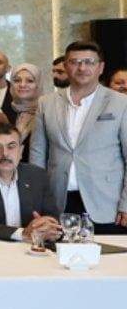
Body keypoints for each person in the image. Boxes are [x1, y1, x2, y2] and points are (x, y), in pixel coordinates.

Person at [30, 41, 127, 233]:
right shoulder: (46, 103)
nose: (82, 68)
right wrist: (36, 199)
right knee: (58, 252)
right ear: (66, 66)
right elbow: (37, 155)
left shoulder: (120, 103)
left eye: (89, 62)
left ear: (101, 67)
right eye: (75, 62)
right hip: (58, 200)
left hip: (107, 202)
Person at [5, 62, 43, 151]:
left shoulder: (46, 112)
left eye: (30, 81)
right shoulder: (3, 111)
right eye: (17, 80)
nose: (22, 85)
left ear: (38, 85)